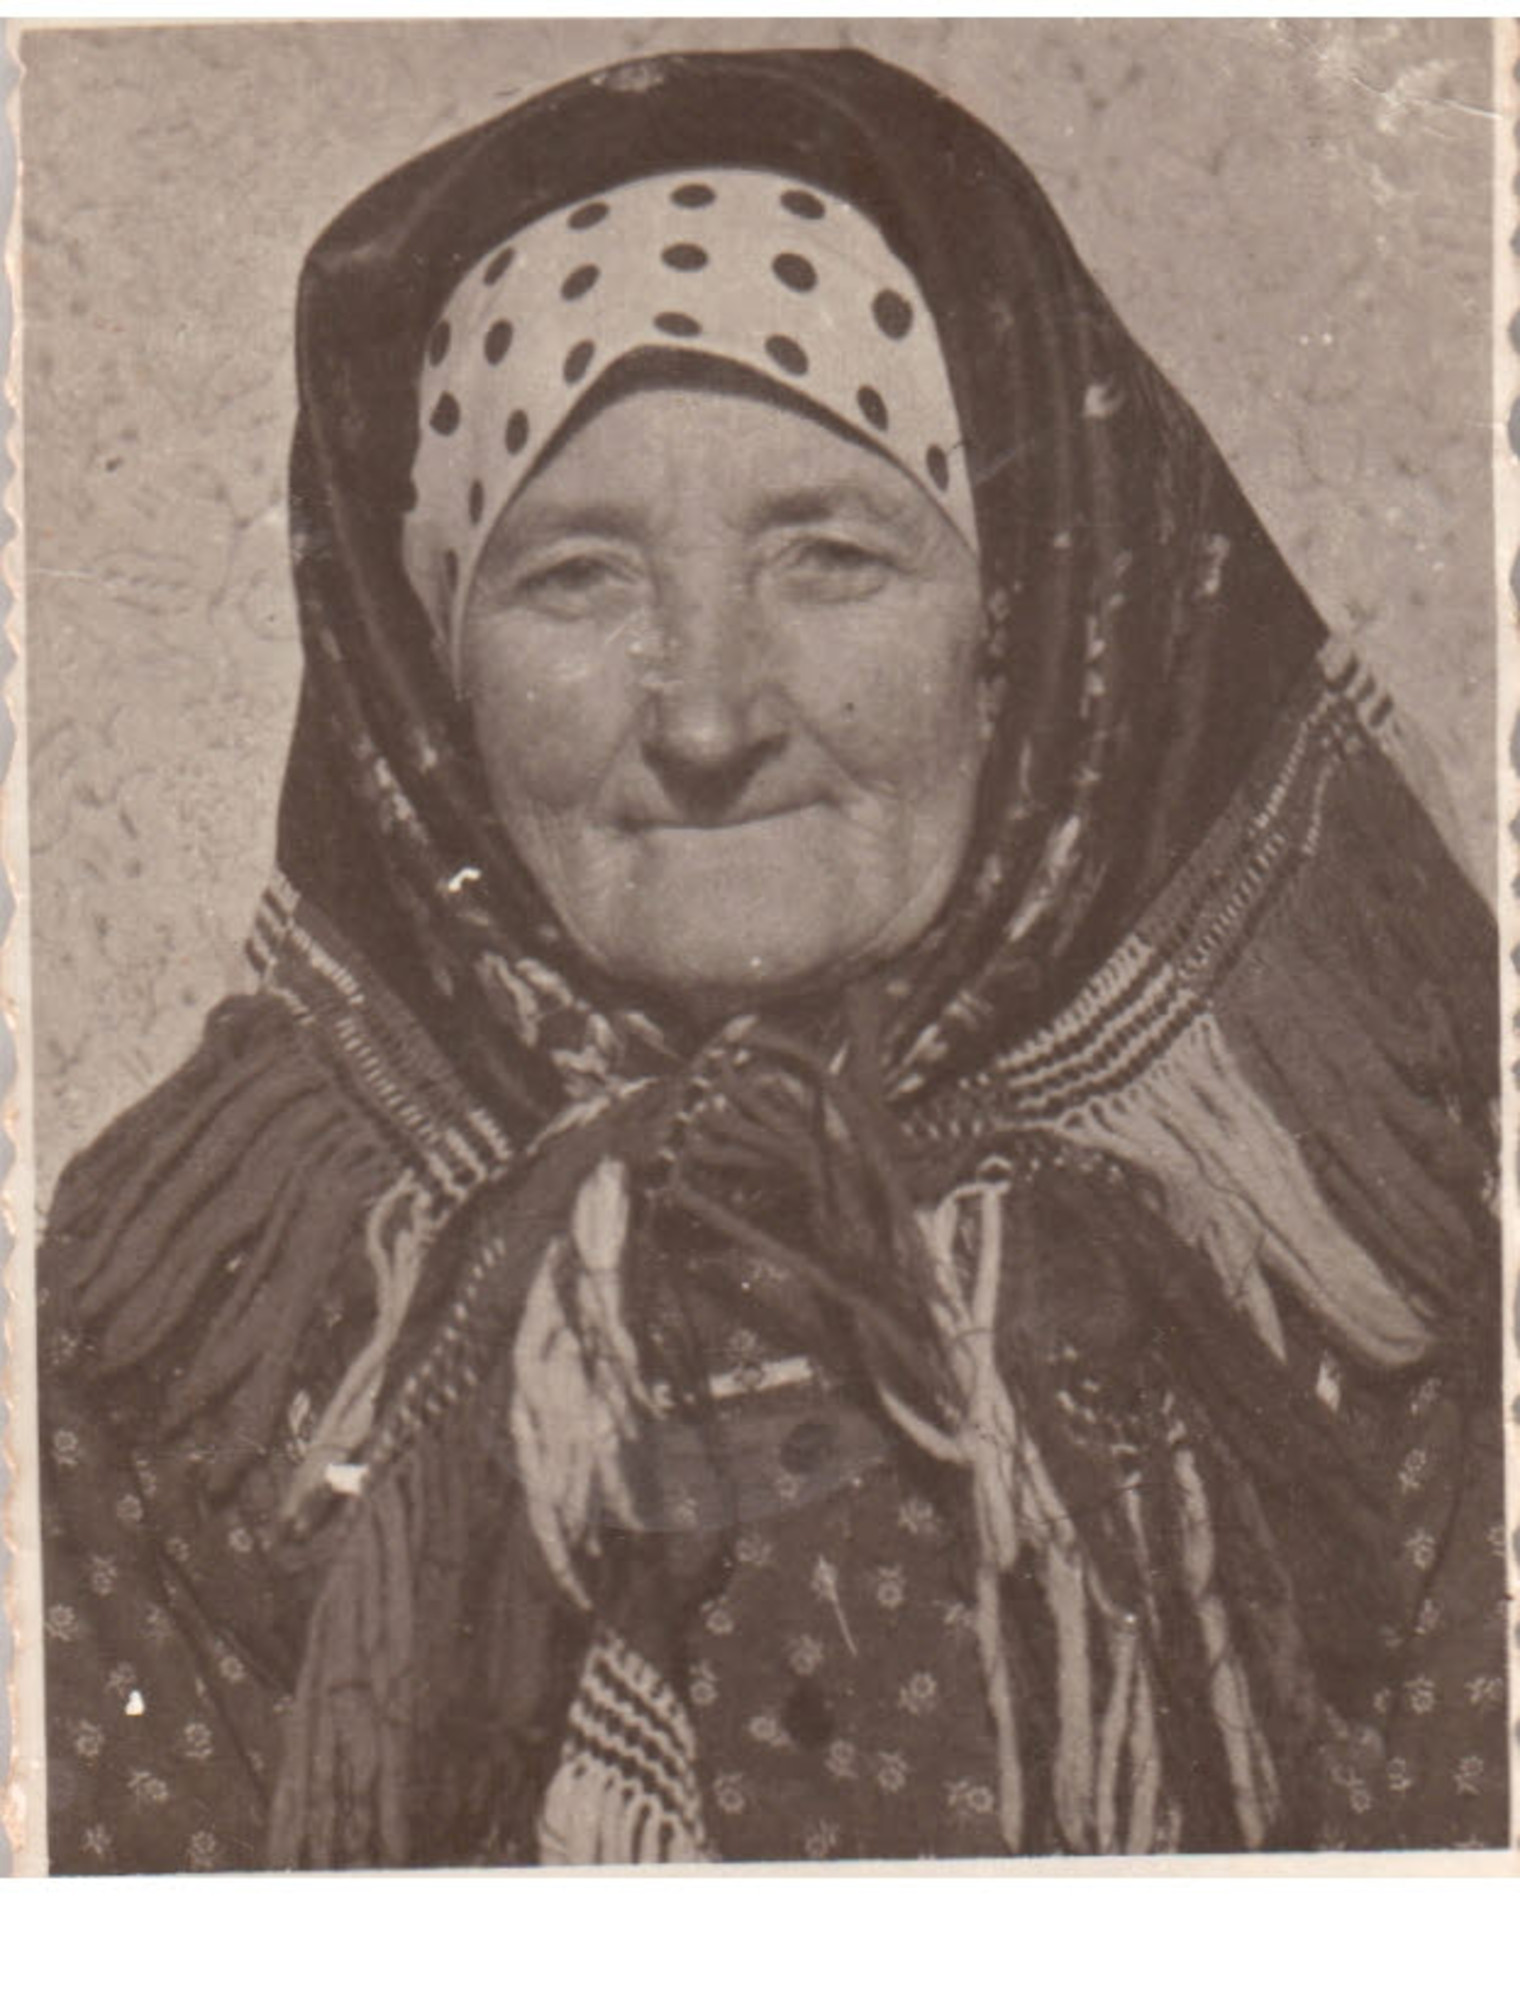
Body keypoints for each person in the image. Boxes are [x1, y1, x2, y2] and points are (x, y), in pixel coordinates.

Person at [37, 47, 1505, 1872]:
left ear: (1020, 626)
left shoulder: (1358, 1234)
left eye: (832, 557)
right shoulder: (205, 1321)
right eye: (578, 578)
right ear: (430, 683)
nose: (710, 717)